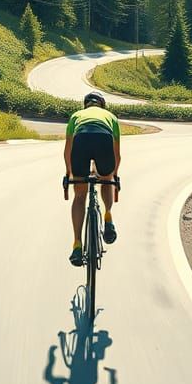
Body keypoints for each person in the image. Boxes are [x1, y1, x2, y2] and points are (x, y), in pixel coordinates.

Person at [64, 91, 120, 266]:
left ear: (86, 105)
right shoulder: (111, 117)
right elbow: (117, 154)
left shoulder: (76, 116)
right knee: (105, 178)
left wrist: (69, 173)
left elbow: (67, 151)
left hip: (81, 140)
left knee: (79, 195)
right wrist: (114, 175)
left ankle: (77, 245)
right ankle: (108, 216)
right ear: (102, 105)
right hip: (104, 139)